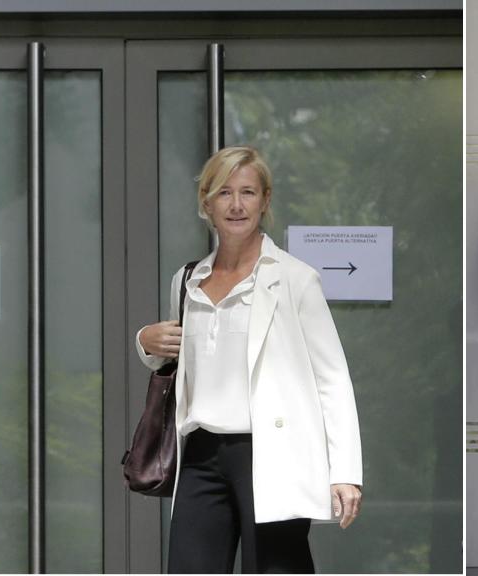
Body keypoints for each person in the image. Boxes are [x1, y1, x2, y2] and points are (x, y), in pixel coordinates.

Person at [135, 146, 363, 574]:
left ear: (265, 200)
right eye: (224, 193)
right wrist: (146, 342)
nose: (236, 205)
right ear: (206, 203)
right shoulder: (187, 280)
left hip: (273, 450)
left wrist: (345, 471)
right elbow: (179, 361)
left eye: (248, 193)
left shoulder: (295, 278)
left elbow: (332, 378)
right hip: (201, 454)